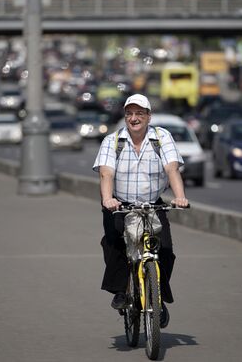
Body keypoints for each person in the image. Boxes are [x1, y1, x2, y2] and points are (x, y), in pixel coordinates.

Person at [92, 93, 189, 329]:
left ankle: (158, 300)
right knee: (115, 243)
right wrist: (108, 199)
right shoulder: (113, 141)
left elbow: (172, 169)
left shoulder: (160, 137)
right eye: (129, 114)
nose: (134, 118)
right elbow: (106, 173)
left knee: (165, 249)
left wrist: (179, 197)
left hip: (152, 203)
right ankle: (122, 292)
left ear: (148, 116)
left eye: (139, 114)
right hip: (120, 204)